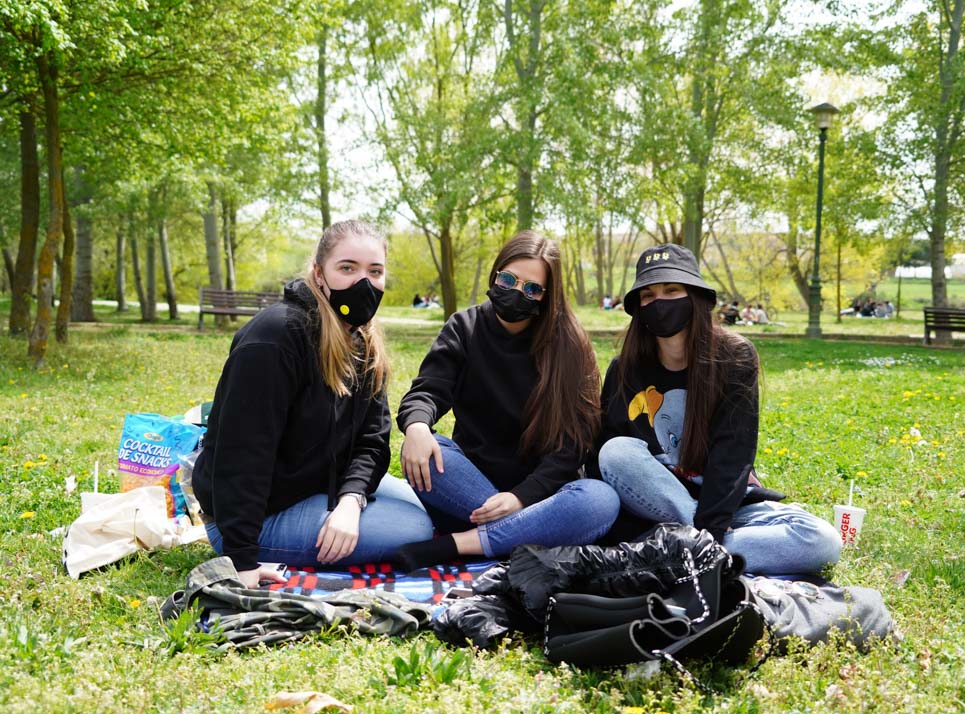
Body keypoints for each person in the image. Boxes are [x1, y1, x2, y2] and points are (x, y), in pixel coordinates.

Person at [193, 220, 434, 589]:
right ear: (319, 274)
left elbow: (373, 438)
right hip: (251, 519)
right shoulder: (276, 336)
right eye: (347, 268)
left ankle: (340, 508)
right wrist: (241, 559)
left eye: (375, 271)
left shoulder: (363, 339)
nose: (363, 284)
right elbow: (243, 454)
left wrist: (351, 502)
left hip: (315, 482)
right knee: (413, 527)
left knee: (422, 506)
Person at [593, 244, 841, 576]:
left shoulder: (733, 357)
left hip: (725, 506)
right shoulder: (624, 369)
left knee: (823, 541)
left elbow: (733, 454)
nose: (659, 302)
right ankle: (698, 552)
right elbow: (610, 455)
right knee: (616, 451)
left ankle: (674, 552)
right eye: (648, 295)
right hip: (655, 506)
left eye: (671, 290)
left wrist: (709, 531)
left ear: (694, 296)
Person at [393, 230, 620, 570]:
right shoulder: (464, 327)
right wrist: (417, 426)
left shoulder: (569, 345)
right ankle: (518, 536)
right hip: (470, 493)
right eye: (509, 279)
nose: (517, 292)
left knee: (600, 500)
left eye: (531, 288)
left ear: (547, 296)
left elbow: (576, 442)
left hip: (542, 496)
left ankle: (461, 544)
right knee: (425, 453)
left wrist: (520, 498)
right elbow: (428, 390)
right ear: (495, 274)